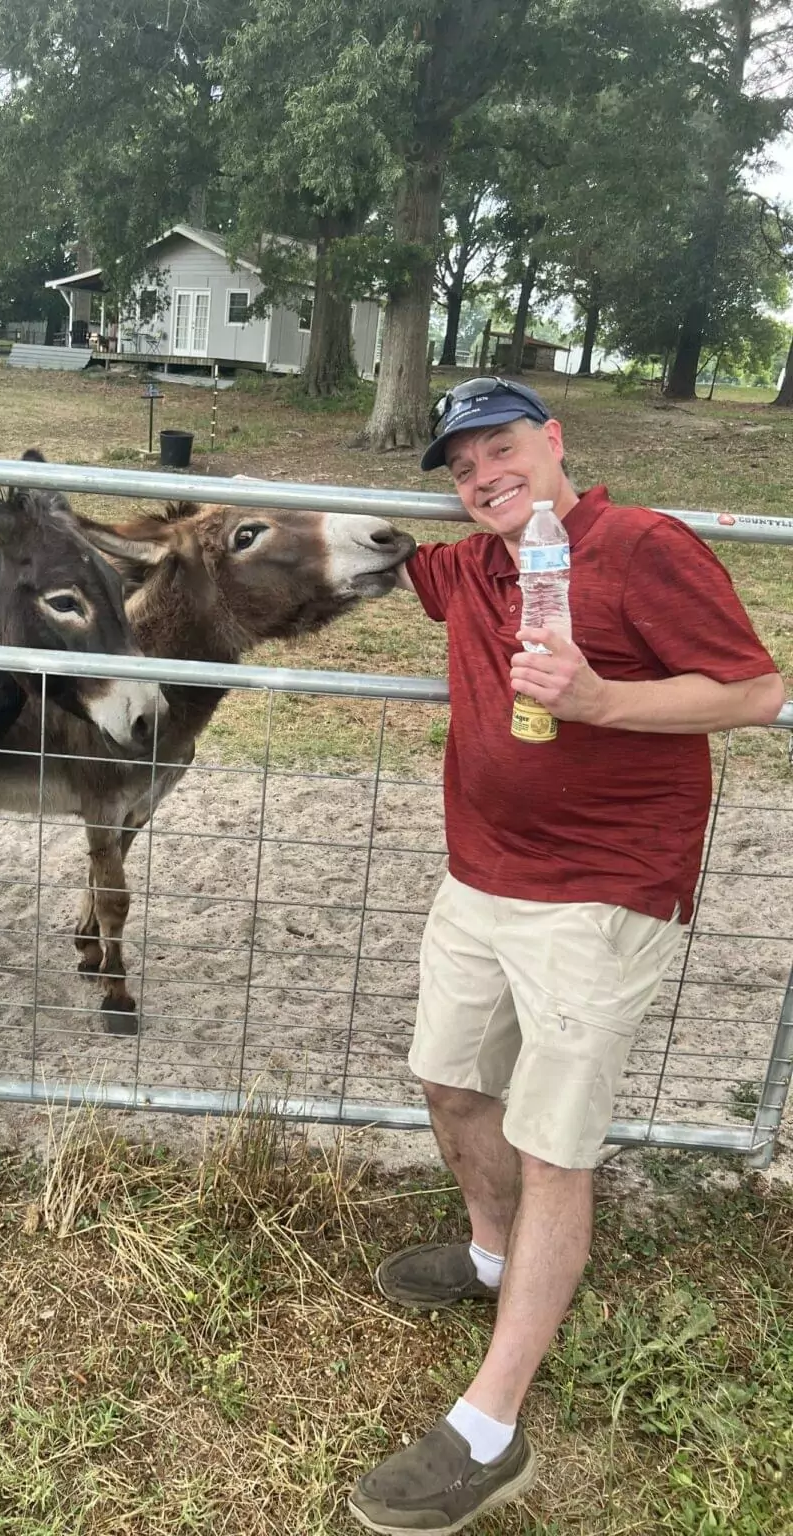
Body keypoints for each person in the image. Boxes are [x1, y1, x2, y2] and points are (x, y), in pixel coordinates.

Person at [348, 377, 785, 1535]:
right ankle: (493, 1257)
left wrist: (598, 698)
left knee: (553, 1145)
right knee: (449, 1080)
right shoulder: (474, 568)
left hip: (602, 893)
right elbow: (369, 558)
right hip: (480, 876)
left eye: (500, 449)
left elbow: (755, 692)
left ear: (553, 440)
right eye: (461, 468)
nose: (483, 477)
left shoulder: (640, 547)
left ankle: (491, 1428)